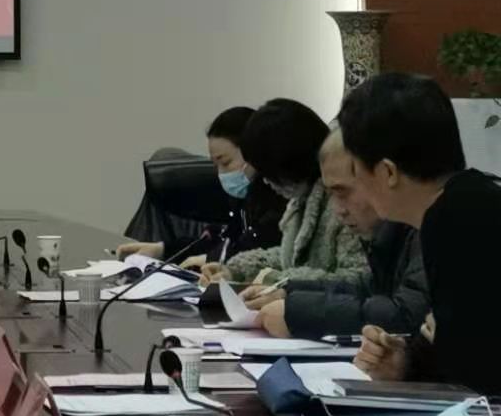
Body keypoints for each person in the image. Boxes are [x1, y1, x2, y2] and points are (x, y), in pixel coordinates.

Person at [343, 73, 501, 398]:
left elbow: (473, 375)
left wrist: (427, 355)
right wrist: (407, 362)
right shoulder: (466, 200)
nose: (357, 186)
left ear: (388, 172)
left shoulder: (455, 220)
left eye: (355, 170)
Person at [241, 126, 428, 339]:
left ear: (386, 174)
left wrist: (298, 314)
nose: (338, 211)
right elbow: (369, 289)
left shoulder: (429, 227)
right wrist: (289, 292)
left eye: (343, 193)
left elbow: (407, 315)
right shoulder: (394, 235)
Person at [199, 98, 368, 287]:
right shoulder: (301, 200)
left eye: (268, 173)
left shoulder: (345, 204)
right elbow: (290, 256)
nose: (265, 181)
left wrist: (279, 281)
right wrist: (236, 270)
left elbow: (357, 279)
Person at [119, 106, 287, 266]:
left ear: (254, 152)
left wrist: (213, 259)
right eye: (215, 166)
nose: (221, 174)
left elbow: (254, 250)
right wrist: (162, 249)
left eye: (226, 163)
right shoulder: (244, 197)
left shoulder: (278, 198)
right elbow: (223, 240)